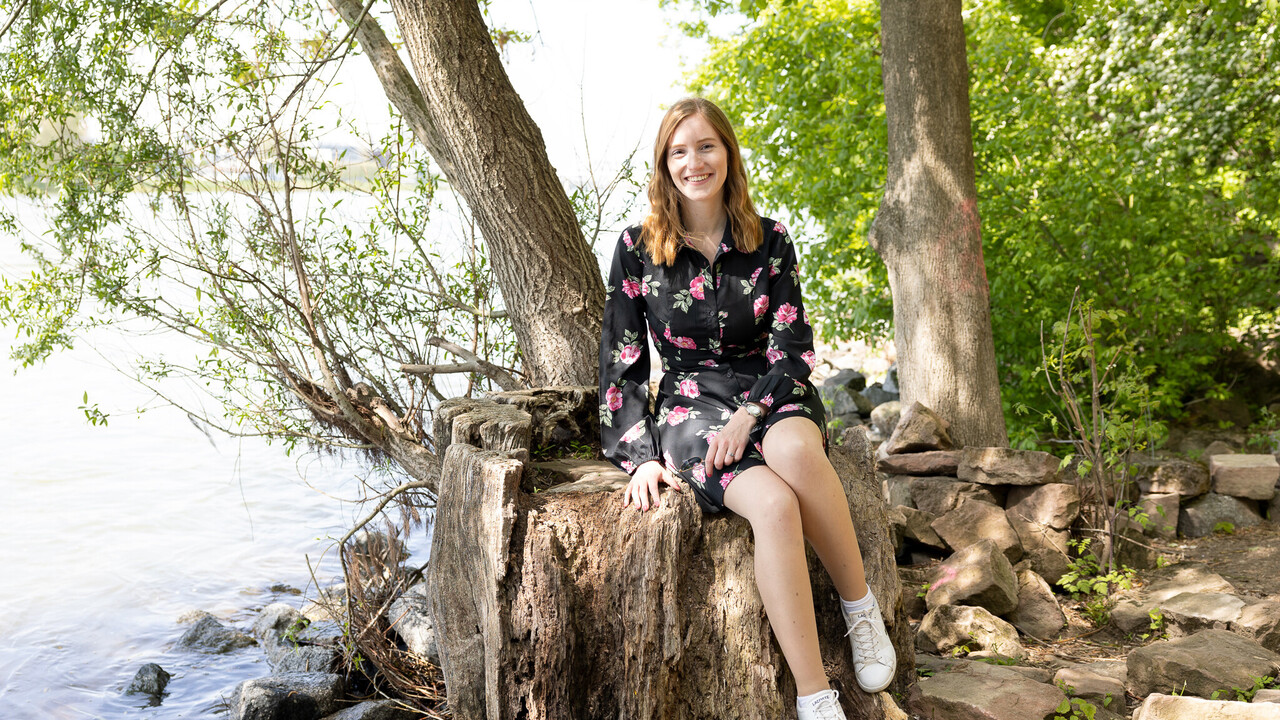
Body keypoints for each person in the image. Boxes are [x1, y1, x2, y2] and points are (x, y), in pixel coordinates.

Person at [597, 97, 896, 720]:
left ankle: (861, 608)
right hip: (689, 406)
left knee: (795, 453)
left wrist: (751, 412)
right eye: (679, 151)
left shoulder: (770, 239)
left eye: (706, 146)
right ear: (664, 164)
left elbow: (794, 346)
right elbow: (623, 358)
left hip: (771, 387)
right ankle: (815, 697)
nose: (694, 162)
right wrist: (640, 456)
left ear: (728, 154)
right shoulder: (636, 247)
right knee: (774, 506)